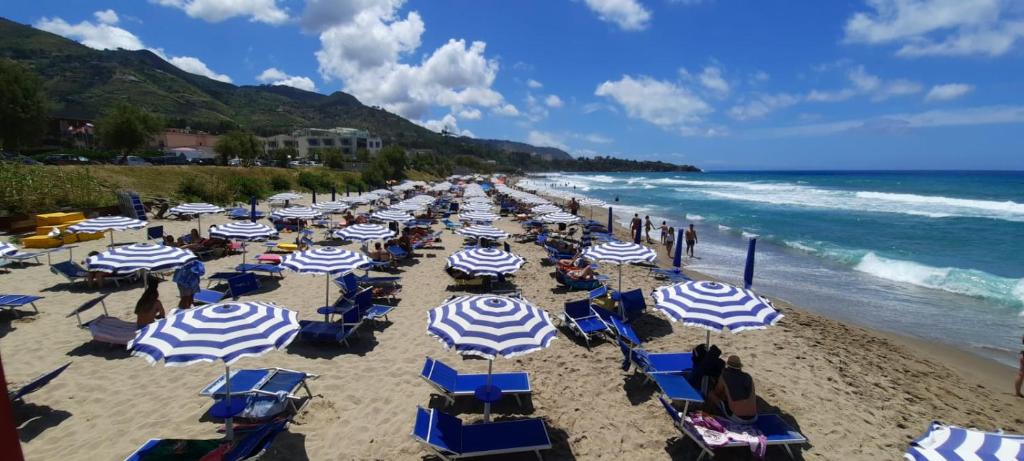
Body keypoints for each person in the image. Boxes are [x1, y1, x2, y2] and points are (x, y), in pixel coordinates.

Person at [709, 355, 757, 423]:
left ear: (728, 365)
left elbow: (717, 392)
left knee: (711, 395)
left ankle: (711, 413)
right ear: (739, 367)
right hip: (754, 417)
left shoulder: (725, 376)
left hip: (738, 418)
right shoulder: (748, 377)